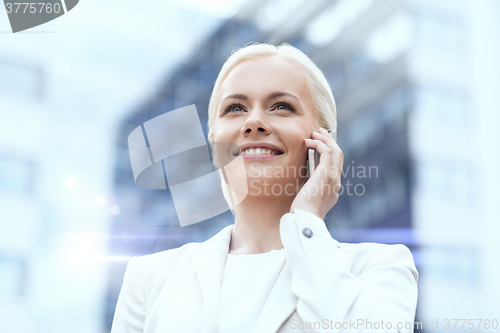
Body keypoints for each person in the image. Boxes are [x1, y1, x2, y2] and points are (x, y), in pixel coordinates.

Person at [111, 42, 418, 333]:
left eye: (281, 106)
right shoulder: (150, 278)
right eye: (235, 108)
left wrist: (307, 218)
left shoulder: (376, 268)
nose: (254, 122)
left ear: (322, 141)